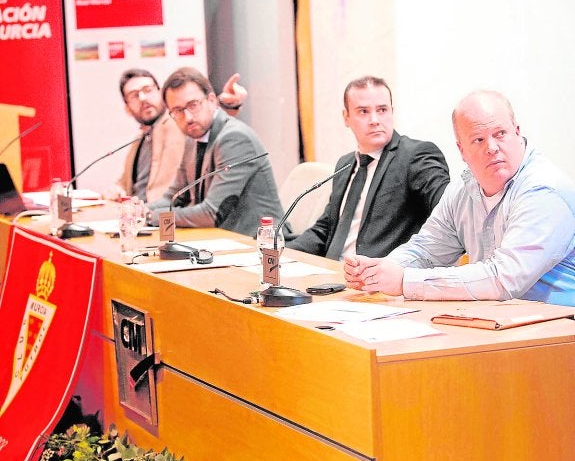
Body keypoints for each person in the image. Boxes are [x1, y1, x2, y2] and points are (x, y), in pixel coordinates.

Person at [344, 90, 575, 306]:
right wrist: (380, 271)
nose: (492, 147)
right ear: (461, 150)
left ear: (517, 131)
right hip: (502, 322)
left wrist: (404, 280)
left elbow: (502, 280)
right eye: (478, 140)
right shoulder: (463, 189)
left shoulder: (543, 191)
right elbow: (426, 250)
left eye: (500, 134)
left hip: (560, 330)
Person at [287, 75, 450, 260]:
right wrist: (280, 254)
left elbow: (448, 216)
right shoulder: (345, 164)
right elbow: (325, 230)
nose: (374, 120)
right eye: (363, 111)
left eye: (382, 110)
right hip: (331, 275)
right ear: (346, 117)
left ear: (392, 112)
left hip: (377, 279)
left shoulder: (416, 156)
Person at [146, 67, 285, 236]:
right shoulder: (192, 139)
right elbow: (174, 197)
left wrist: (152, 217)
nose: (188, 117)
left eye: (193, 105)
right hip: (219, 240)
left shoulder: (234, 138)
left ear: (211, 100)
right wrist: (139, 211)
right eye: (178, 110)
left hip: (259, 243)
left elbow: (211, 214)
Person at [105, 68, 247, 203]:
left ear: (160, 93)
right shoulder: (138, 142)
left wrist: (226, 103)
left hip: (167, 215)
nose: (143, 98)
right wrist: (117, 190)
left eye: (148, 90)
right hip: (140, 218)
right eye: (134, 95)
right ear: (127, 108)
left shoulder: (177, 121)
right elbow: (125, 184)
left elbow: (206, 117)